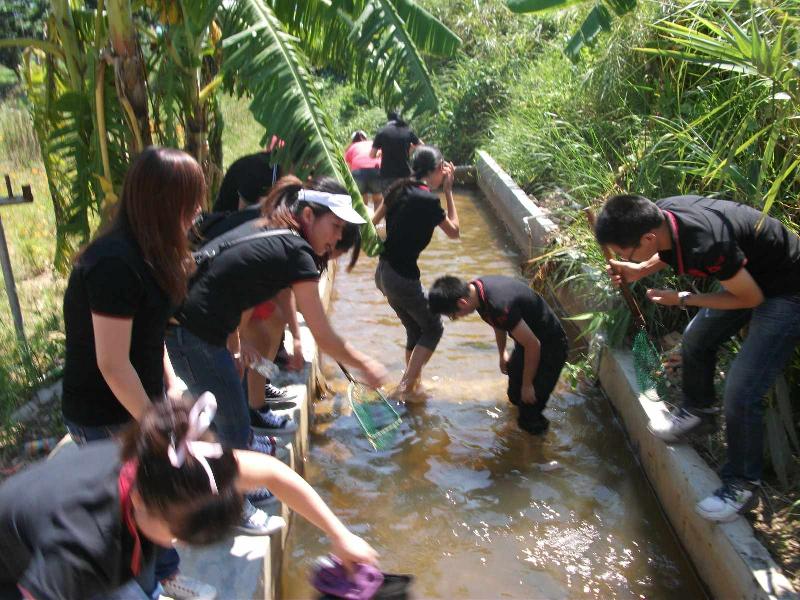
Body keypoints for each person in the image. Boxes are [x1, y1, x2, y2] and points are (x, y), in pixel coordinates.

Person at [166, 175, 388, 528]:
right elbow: (323, 334)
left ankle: (222, 486)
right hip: (194, 337)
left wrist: (237, 345)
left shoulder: (274, 230)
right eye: (334, 226)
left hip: (194, 331)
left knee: (230, 420)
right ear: (309, 216)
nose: (336, 237)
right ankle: (232, 506)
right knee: (234, 429)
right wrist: (365, 363)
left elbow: (231, 287)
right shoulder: (297, 252)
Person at [0, 395, 378, 600]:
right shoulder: (83, 547)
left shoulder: (184, 464)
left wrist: (338, 534)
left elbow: (275, 474)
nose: (180, 543)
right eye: (178, 535)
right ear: (144, 503)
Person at [59, 146, 212, 600]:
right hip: (105, 413)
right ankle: (144, 586)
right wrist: (154, 423)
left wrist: (171, 385)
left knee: (155, 496)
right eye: (190, 200)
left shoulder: (151, 253)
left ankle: (164, 578)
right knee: (134, 510)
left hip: (139, 403)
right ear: (161, 201)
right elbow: (111, 362)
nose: (198, 210)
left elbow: (148, 335)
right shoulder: (113, 263)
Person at [594, 193, 800, 522]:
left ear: (647, 238)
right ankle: (698, 413)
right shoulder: (664, 215)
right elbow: (667, 249)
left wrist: (684, 299)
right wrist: (638, 268)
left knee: (742, 389)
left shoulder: (706, 245)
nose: (622, 257)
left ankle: (742, 485)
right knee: (696, 338)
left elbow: (749, 298)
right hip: (752, 273)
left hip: (786, 289)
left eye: (624, 252)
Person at [429, 275, 568, 435]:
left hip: (550, 346)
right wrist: (502, 353)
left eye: (453, 315)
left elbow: (533, 345)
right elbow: (497, 323)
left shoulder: (498, 304)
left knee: (530, 410)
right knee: (515, 395)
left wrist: (528, 385)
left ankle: (536, 448)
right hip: (527, 343)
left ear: (462, 303)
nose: (456, 318)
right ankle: (518, 431)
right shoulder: (477, 291)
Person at [372, 146, 459, 396]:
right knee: (434, 328)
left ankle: (414, 385)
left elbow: (373, 223)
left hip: (383, 273)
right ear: (435, 171)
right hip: (402, 278)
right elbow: (454, 232)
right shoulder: (428, 200)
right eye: (442, 170)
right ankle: (405, 387)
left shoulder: (398, 188)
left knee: (415, 328)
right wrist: (449, 192)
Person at [370, 112, 421, 192]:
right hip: (405, 174)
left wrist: (381, 154)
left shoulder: (382, 132)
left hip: (387, 174)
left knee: (389, 202)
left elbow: (372, 155)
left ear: (388, 119)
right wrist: (409, 152)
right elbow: (421, 145)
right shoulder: (407, 130)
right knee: (406, 200)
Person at [344, 130, 383, 211]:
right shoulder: (372, 143)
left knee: (361, 200)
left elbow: (348, 168)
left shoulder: (351, 147)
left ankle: (364, 222)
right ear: (365, 138)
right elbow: (381, 157)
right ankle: (377, 222)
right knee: (378, 199)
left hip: (358, 171)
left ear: (353, 140)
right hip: (375, 169)